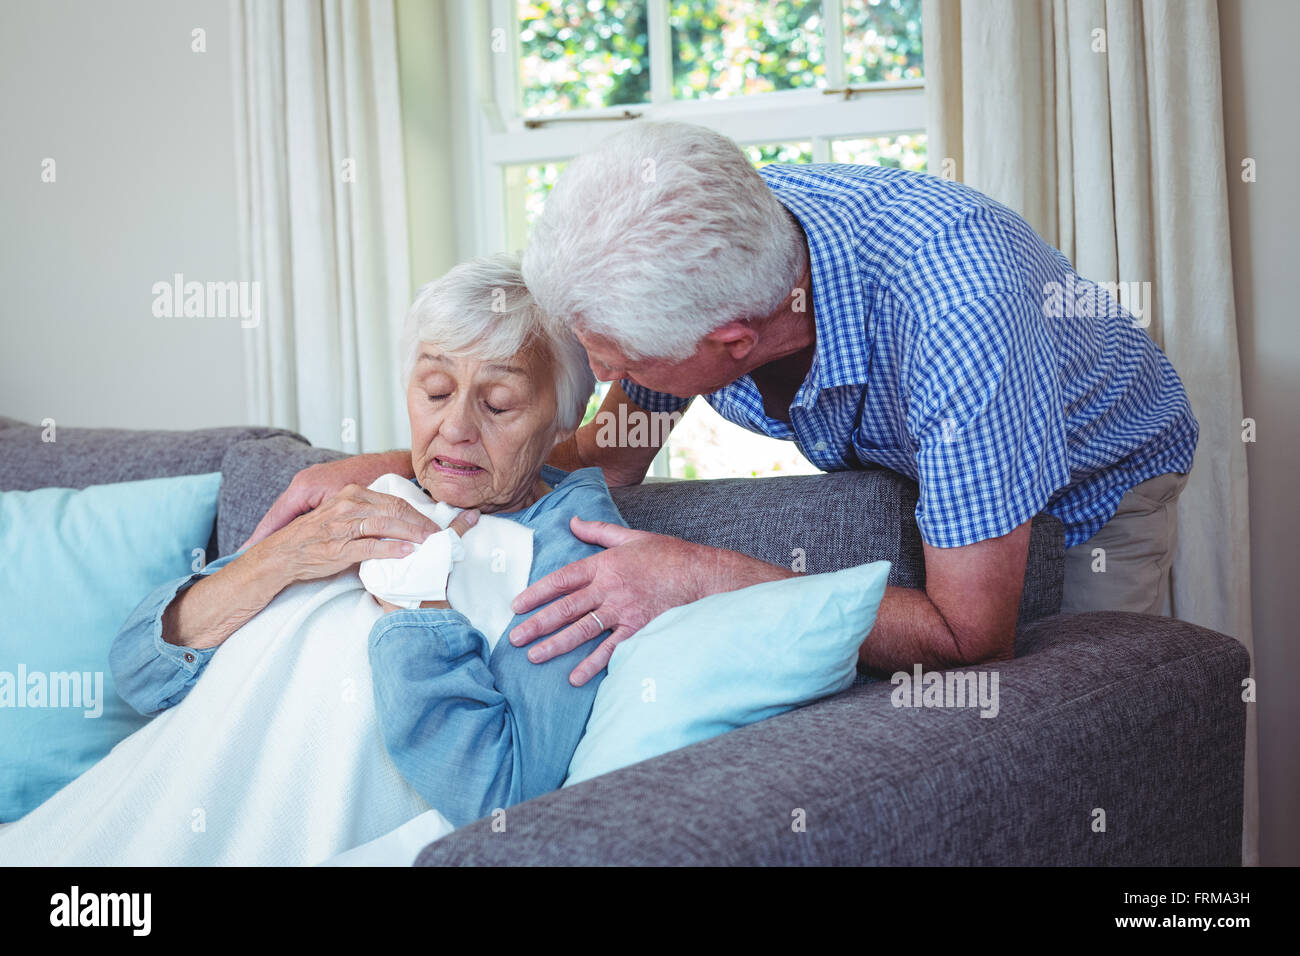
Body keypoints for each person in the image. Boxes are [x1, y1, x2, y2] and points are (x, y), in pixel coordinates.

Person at [244, 121, 1198, 688]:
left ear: (731, 345)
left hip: (1100, 483)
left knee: (1085, 716)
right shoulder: (709, 247)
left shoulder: (960, 320)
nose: (597, 366)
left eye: (612, 354)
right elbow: (597, 457)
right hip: (931, 444)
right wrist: (393, 470)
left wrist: (698, 578)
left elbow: (966, 635)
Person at [0, 253, 623, 863]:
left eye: (498, 404)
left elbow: (503, 799)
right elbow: (139, 672)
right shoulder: (361, 500)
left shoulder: (572, 553)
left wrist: (418, 610)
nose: (455, 426)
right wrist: (283, 557)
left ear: (567, 417)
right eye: (435, 390)